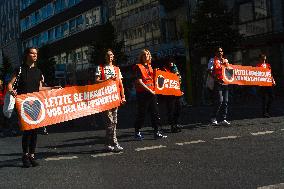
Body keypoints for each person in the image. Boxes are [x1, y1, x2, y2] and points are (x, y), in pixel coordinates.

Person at [7, 47, 59, 168]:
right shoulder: (19, 69)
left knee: (34, 130)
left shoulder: (38, 72)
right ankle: (25, 156)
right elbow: (10, 84)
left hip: (35, 103)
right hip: (23, 104)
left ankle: (32, 155)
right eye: (32, 53)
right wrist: (11, 91)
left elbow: (39, 88)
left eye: (36, 53)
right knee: (27, 130)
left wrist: (53, 88)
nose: (35, 55)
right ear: (27, 55)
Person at [95, 49, 126, 152]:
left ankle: (107, 144)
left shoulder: (117, 69)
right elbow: (97, 81)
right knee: (110, 122)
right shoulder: (100, 68)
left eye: (111, 55)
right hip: (105, 99)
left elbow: (120, 84)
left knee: (114, 122)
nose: (109, 57)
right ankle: (115, 143)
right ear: (105, 57)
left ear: (113, 57)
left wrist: (123, 96)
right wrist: (107, 80)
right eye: (107, 55)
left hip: (115, 98)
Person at [133, 49, 167, 140]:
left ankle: (156, 132)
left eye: (147, 54)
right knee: (142, 114)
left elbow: (153, 80)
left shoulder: (150, 67)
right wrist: (149, 90)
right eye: (144, 55)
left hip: (152, 93)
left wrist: (157, 73)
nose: (146, 56)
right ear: (141, 57)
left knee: (155, 113)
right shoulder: (138, 67)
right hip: (143, 94)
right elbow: (139, 81)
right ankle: (137, 131)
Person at [160, 58, 182, 133]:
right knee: (171, 109)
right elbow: (161, 81)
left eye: (172, 61)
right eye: (170, 61)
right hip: (168, 94)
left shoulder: (175, 69)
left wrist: (179, 78)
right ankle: (173, 125)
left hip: (176, 92)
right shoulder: (163, 69)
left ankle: (176, 123)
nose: (171, 63)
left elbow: (179, 80)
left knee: (178, 108)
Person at [210, 47, 231, 126]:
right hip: (217, 83)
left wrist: (225, 64)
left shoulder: (225, 60)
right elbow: (209, 71)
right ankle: (213, 117)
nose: (220, 53)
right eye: (218, 51)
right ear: (216, 53)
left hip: (225, 83)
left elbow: (229, 71)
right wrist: (216, 79)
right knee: (220, 101)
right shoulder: (212, 60)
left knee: (225, 101)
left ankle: (224, 119)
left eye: (221, 51)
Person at [256, 53, 275, 118]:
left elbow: (270, 73)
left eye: (264, 59)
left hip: (268, 83)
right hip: (262, 84)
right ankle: (265, 113)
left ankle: (267, 110)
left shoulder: (268, 65)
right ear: (260, 59)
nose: (264, 61)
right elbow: (255, 74)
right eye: (263, 59)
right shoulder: (258, 66)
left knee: (272, 97)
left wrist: (273, 80)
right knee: (264, 99)